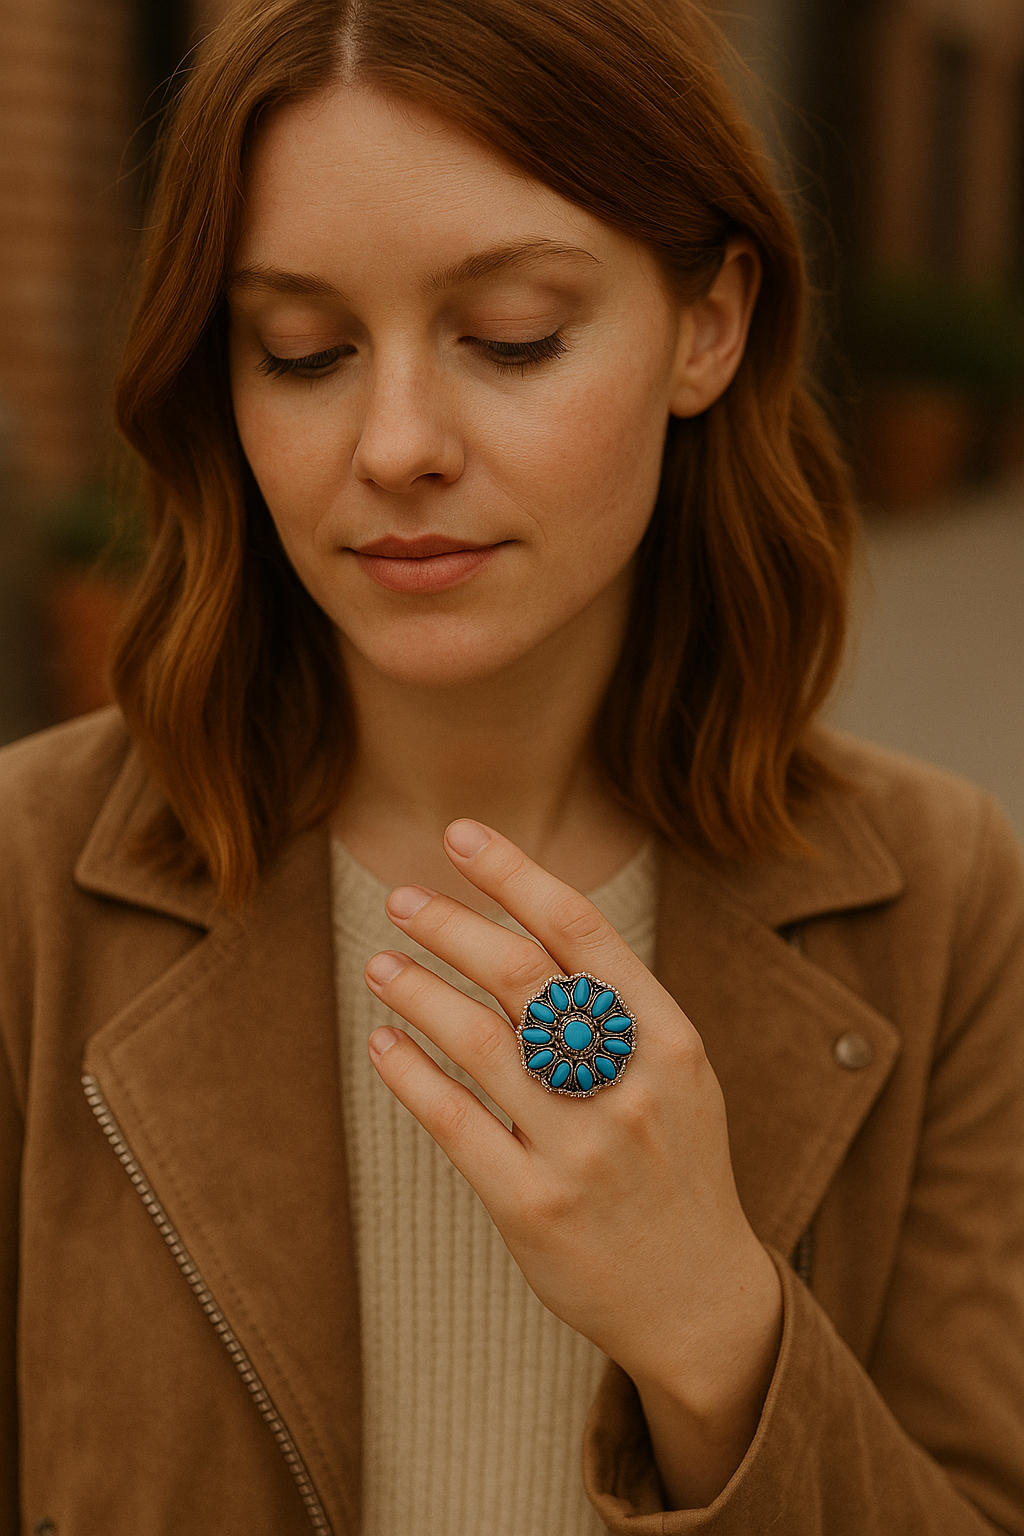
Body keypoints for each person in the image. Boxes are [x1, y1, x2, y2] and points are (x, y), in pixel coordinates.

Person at [1, 0, 1022, 1531]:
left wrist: (712, 1328)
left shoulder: (948, 900)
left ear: (709, 323)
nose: (396, 441)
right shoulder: (24, 884)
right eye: (303, 350)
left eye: (511, 337)